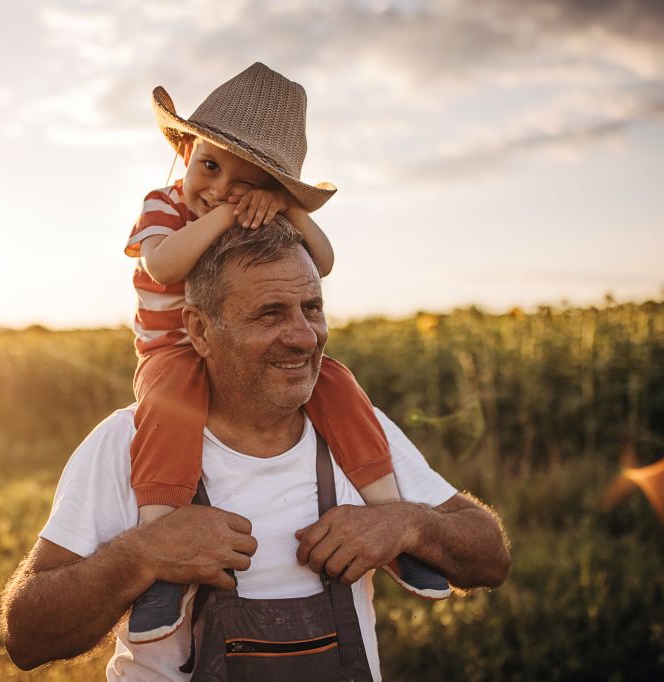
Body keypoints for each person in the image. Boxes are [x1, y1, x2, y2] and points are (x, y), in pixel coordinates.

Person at [0, 220, 511, 680]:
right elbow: (26, 635)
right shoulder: (125, 443)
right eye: (270, 314)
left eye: (312, 309)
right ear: (199, 330)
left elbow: (490, 559)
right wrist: (143, 554)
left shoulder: (360, 432)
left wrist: (407, 522)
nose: (304, 337)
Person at [124, 62, 450, 644]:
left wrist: (287, 207)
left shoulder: (261, 218)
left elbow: (320, 262)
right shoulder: (166, 205)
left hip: (246, 356)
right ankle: (163, 557)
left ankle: (391, 519)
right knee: (168, 414)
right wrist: (229, 211)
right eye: (209, 165)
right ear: (185, 149)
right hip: (173, 355)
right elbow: (163, 264)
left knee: (339, 386)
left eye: (243, 182)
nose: (220, 188)